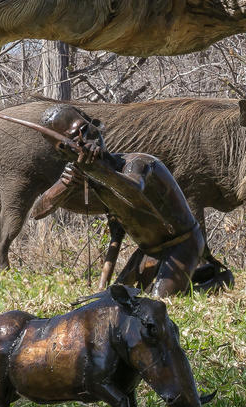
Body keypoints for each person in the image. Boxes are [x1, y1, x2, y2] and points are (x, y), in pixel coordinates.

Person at [32, 104, 208, 297]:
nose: (80, 143)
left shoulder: (138, 162)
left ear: (96, 125)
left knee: (158, 301)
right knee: (116, 299)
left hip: (182, 243)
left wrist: (100, 170)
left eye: (82, 131)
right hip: (149, 250)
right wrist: (64, 184)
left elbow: (133, 191)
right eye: (67, 145)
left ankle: (215, 281)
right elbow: (38, 213)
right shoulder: (91, 176)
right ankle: (202, 275)